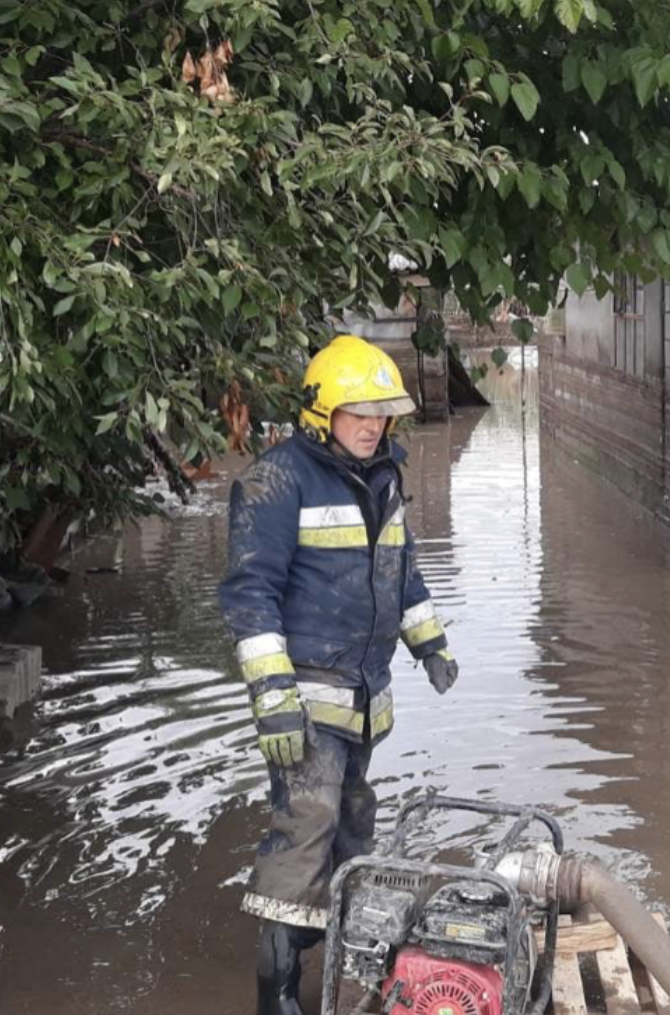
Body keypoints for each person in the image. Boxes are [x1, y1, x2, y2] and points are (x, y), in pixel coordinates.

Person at [218, 335, 459, 1015]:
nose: (371, 424)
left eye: (381, 413)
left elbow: (401, 571)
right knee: (308, 822)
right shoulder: (276, 480)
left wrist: (431, 644)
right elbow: (250, 595)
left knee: (353, 817)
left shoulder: (383, 474)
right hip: (304, 694)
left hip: (364, 695)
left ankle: (346, 950)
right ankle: (280, 992)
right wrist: (273, 698)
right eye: (358, 412)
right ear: (324, 413)